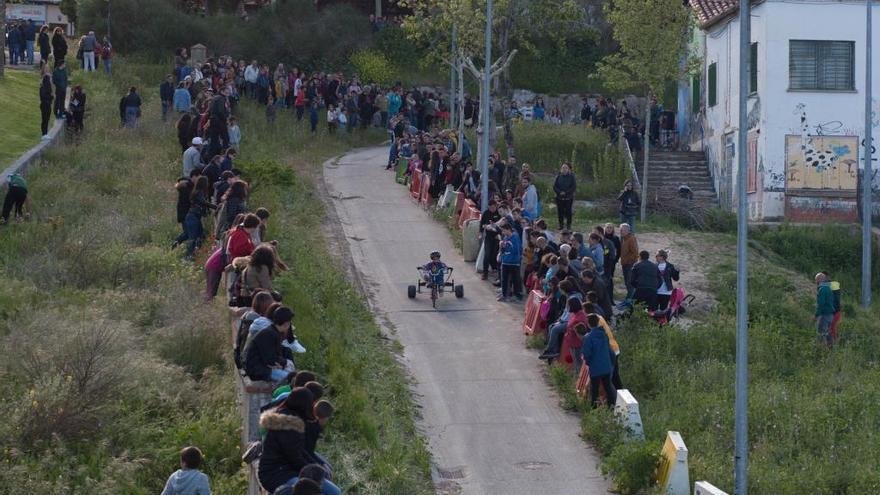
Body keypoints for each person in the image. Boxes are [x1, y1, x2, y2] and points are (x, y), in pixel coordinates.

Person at [258, 388, 342, 495]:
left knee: (333, 491)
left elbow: (300, 451)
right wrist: (317, 471)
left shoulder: (287, 417)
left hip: (285, 470)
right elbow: (295, 458)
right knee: (333, 492)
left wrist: (317, 466)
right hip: (276, 475)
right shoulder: (289, 425)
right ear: (304, 405)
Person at [245, 306, 296, 383]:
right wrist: (285, 363)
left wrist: (281, 364)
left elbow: (274, 356)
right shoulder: (269, 334)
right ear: (286, 324)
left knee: (292, 375)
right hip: (257, 370)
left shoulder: (272, 331)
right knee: (291, 380)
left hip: (262, 366)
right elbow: (270, 360)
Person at [175, 176, 216, 259]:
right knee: (192, 237)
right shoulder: (199, 192)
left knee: (200, 235)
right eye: (207, 182)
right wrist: (215, 207)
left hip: (194, 217)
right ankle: (188, 256)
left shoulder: (197, 191)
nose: (208, 184)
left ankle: (194, 254)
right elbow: (203, 202)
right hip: (192, 217)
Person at [581, 313, 617, 408]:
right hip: (606, 366)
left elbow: (586, 353)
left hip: (595, 368)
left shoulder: (588, 337)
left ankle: (593, 409)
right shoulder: (604, 334)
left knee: (594, 389)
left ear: (588, 324)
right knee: (608, 386)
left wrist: (588, 362)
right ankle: (612, 405)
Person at [498, 223, 523, 302]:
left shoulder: (515, 237)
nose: (503, 232)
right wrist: (501, 247)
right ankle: (504, 294)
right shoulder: (505, 237)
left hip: (514, 262)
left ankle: (517, 295)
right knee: (504, 279)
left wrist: (506, 244)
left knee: (516, 280)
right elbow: (503, 249)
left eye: (504, 230)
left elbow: (516, 250)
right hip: (505, 261)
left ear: (508, 229)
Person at [617, 223, 639, 307]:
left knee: (630, 283)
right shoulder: (623, 238)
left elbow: (636, 253)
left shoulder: (631, 239)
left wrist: (629, 262)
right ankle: (628, 299)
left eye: (623, 230)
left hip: (630, 264)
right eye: (621, 230)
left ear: (628, 231)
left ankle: (629, 301)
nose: (621, 231)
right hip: (625, 264)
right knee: (627, 282)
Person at [553, 162, 576, 230]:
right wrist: (559, 192)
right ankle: (561, 225)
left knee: (568, 212)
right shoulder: (558, 176)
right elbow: (554, 186)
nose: (564, 169)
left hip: (568, 198)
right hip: (559, 197)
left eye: (566, 168)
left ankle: (568, 225)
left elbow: (573, 187)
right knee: (560, 212)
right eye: (563, 168)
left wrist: (565, 193)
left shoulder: (572, 176)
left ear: (569, 169)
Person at [814, 272, 835, 348]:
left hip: (824, 315)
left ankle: (822, 352)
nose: (815, 282)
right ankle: (831, 349)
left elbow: (821, 304)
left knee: (821, 334)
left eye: (816, 280)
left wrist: (816, 315)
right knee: (827, 333)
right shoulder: (829, 288)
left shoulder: (822, 289)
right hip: (831, 315)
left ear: (819, 280)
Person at [821, 271, 842, 343]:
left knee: (832, 328)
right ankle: (832, 343)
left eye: (824, 277)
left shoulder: (834, 284)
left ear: (828, 277)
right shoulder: (826, 286)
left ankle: (834, 344)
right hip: (833, 311)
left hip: (835, 311)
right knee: (830, 328)